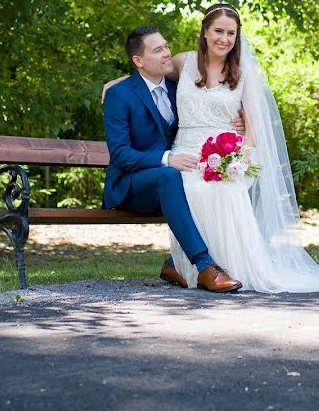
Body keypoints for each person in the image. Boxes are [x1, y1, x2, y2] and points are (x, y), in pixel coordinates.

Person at [146, 3, 319, 294]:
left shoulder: (243, 72)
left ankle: (210, 267)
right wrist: (117, 82)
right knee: (189, 185)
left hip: (225, 155)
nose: (224, 38)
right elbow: (149, 73)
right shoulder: (185, 62)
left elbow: (254, 130)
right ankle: (193, 266)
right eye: (218, 30)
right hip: (185, 151)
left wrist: (237, 163)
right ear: (205, 32)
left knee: (220, 187)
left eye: (231, 33)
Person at [102, 26, 244, 293]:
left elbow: (205, 112)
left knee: (215, 181)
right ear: (138, 61)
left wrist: (239, 123)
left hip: (172, 184)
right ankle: (204, 266)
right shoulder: (119, 95)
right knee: (170, 175)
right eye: (158, 50)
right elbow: (120, 155)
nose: (167, 53)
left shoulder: (178, 88)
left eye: (166, 46)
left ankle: (175, 264)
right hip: (132, 186)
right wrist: (168, 158)